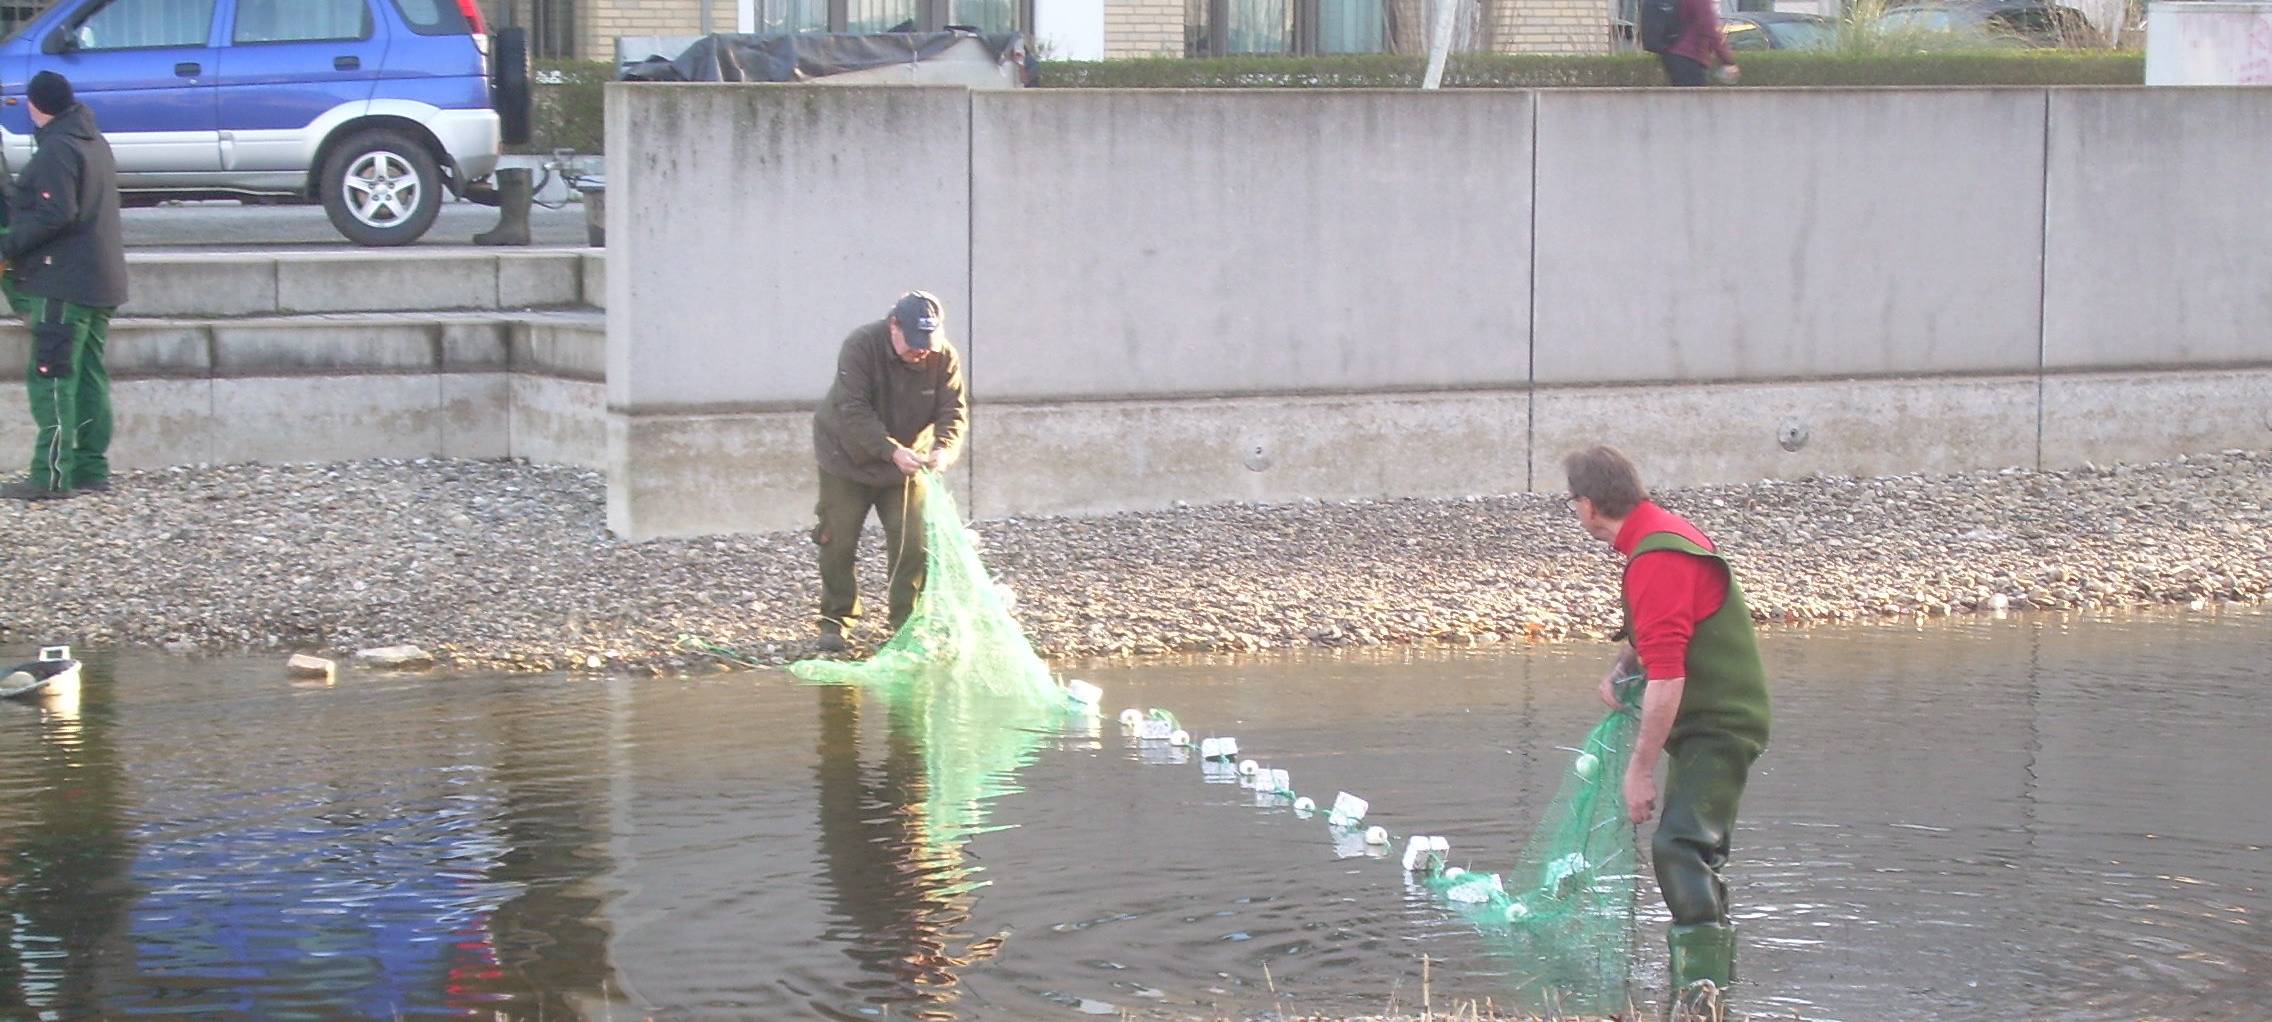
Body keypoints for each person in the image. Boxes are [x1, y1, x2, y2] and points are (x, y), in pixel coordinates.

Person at [1563, 445, 1770, 1009]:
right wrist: (1624, 664)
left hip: (1719, 723)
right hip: (1714, 720)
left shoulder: (1657, 556)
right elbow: (1665, 630)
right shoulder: (1659, 536)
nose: (1575, 512)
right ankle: (1710, 993)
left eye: (1573, 502)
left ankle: (1701, 1000)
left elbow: (1670, 674)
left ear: (1588, 504)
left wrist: (1640, 771)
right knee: (1696, 848)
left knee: (1681, 847)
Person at [809, 290, 968, 653]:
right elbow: (853, 410)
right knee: (838, 539)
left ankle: (906, 621)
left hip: (909, 463)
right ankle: (836, 619)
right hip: (845, 458)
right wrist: (890, 450)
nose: (921, 351)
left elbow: (954, 412)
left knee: (913, 540)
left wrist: (944, 449)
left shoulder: (944, 357)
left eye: (928, 342)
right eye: (914, 343)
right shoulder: (860, 346)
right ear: (893, 325)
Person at [0, 71, 127, 501]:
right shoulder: (94, 141)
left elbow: (56, 214)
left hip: (63, 283)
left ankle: (50, 476)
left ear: (36, 106)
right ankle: (91, 468)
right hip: (101, 280)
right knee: (89, 376)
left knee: (52, 378)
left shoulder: (57, 148)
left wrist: (7, 245)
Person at [1662, 0, 1739, 88]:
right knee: (1694, 94)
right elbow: (1708, 28)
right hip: (1690, 55)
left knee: (1682, 92)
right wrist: (1727, 60)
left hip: (1673, 51)